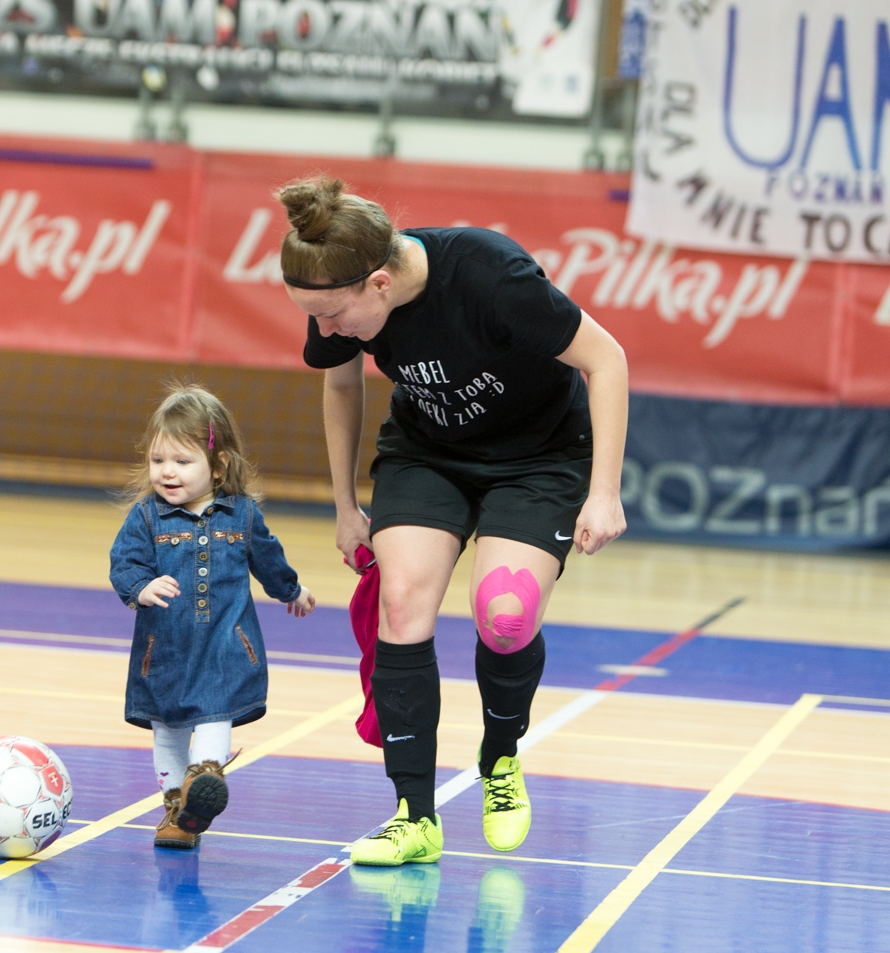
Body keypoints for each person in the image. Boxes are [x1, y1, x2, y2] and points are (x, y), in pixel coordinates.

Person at [274, 177, 627, 866]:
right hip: (428, 452)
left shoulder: (492, 275)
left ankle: (500, 757)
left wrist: (604, 491)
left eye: (334, 315)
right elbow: (341, 382)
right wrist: (346, 505)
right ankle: (414, 815)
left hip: (540, 457)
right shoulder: (335, 289)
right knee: (402, 603)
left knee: (505, 614)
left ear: (379, 282)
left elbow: (605, 359)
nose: (324, 330)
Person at [109, 384, 316, 850]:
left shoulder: (241, 515)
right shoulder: (146, 518)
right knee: (167, 728)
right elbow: (123, 564)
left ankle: (204, 778)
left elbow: (268, 559)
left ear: (218, 465)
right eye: (159, 460)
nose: (167, 472)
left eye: (182, 462)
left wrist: (293, 589)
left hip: (225, 642)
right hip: (164, 648)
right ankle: (178, 810)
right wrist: (141, 587)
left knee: (215, 710)